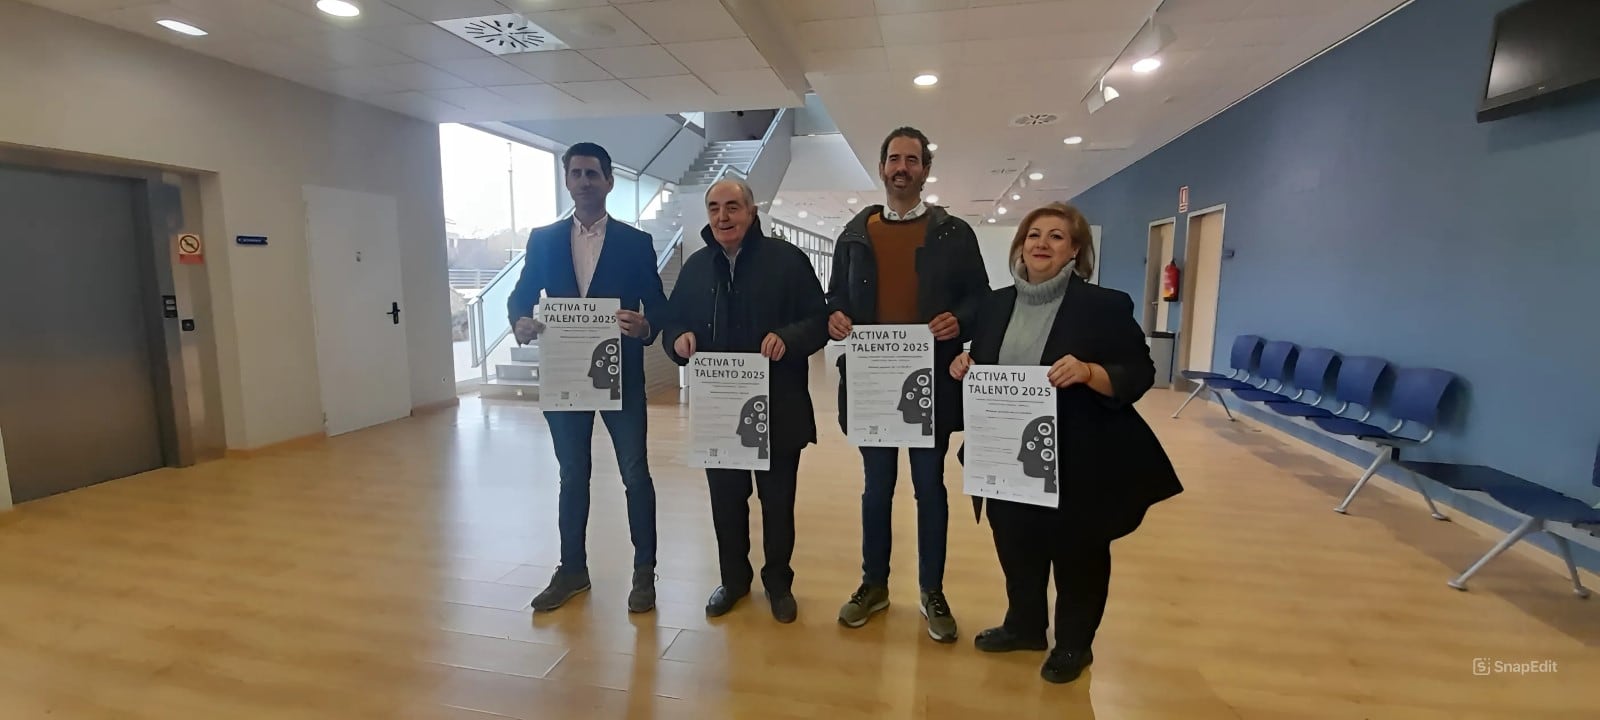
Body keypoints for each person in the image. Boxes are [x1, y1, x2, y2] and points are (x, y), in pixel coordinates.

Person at [950, 202, 1182, 683]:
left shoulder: (1103, 305)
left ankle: (1074, 645)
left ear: (1076, 251)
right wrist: (965, 367)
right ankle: (1025, 625)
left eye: (1056, 237)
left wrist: (1091, 372)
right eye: (1034, 235)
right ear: (1020, 245)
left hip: (1079, 454)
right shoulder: (995, 304)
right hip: (1008, 454)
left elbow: (1140, 373)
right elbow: (984, 360)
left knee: (1078, 553)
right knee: (1015, 544)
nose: (1041, 244)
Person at [827, 126, 990, 643]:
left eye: (912, 159)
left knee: (929, 489)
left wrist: (958, 323)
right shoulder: (855, 234)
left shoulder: (954, 233)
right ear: (881, 168)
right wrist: (834, 316)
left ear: (925, 169)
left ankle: (932, 590)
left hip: (932, 385)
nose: (902, 167)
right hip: (874, 384)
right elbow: (836, 298)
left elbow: (980, 300)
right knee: (876, 490)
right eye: (894, 158)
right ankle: (873, 585)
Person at [507, 142, 668, 615]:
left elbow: (656, 305)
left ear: (609, 181)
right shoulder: (543, 240)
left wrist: (645, 327)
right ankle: (572, 569)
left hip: (620, 377)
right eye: (575, 173)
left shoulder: (636, 243)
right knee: (573, 474)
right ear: (566, 180)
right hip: (565, 377)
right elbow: (519, 298)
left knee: (635, 474)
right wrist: (519, 323)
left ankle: (644, 573)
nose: (583, 181)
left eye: (592, 174)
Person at [662, 176, 828, 623]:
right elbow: (672, 323)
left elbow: (819, 319)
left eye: (732, 206)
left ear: (752, 211)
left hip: (779, 406)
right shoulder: (697, 267)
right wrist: (679, 340)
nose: (722, 216)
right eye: (714, 207)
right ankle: (734, 581)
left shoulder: (787, 261)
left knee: (778, 503)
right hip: (719, 412)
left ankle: (778, 583)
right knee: (726, 502)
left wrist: (788, 338)